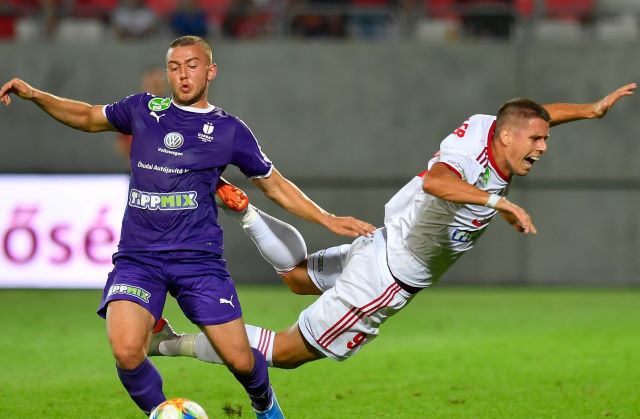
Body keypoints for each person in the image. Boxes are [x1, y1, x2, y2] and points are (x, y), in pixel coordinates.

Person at [0, 35, 375, 419]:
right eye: (175, 66)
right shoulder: (143, 109)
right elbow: (88, 116)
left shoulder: (229, 130)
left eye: (192, 66)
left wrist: (327, 218)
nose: (183, 74)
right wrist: (35, 95)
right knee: (126, 350)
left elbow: (275, 184)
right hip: (139, 260)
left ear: (210, 71)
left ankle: (265, 403)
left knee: (240, 359)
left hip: (198, 262)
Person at [148, 82, 636, 370]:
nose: (543, 148)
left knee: (297, 278)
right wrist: (497, 202)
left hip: (381, 241)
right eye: (536, 141)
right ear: (506, 137)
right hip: (388, 278)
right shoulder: (469, 160)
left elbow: (536, 118)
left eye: (545, 139)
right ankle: (169, 343)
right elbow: (438, 183)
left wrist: (589, 111)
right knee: (287, 352)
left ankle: (247, 213)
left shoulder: (493, 126)